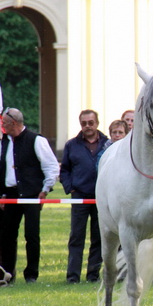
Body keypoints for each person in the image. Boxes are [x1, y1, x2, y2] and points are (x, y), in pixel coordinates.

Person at [0, 108, 59, 283]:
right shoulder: (4, 143)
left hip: (32, 194)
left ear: (14, 124)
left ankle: (31, 274)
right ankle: (8, 273)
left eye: (4, 124)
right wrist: (1, 194)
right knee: (8, 235)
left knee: (32, 235)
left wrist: (45, 190)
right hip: (9, 194)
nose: (2, 127)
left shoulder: (37, 141)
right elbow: (1, 169)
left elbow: (51, 167)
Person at [60, 110, 108, 283]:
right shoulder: (71, 145)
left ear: (97, 123)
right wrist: (70, 187)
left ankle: (93, 275)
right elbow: (64, 169)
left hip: (101, 197)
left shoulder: (107, 144)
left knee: (98, 237)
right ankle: (73, 276)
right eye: (84, 123)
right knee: (76, 237)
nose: (87, 126)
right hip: (79, 196)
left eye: (90, 122)